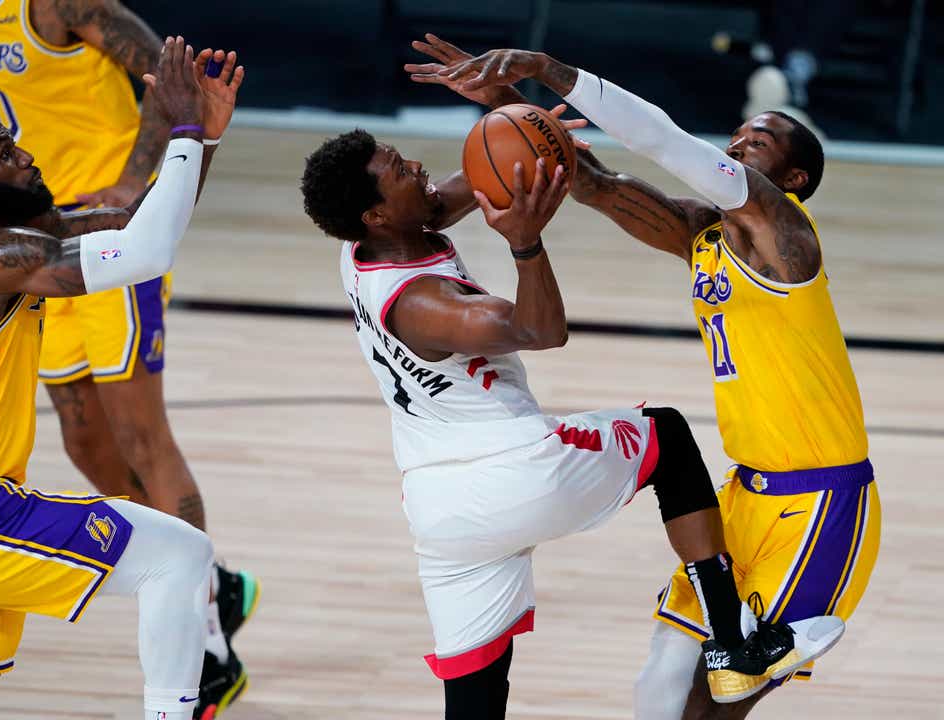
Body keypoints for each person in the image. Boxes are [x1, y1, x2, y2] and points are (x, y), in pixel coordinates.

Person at [300, 116, 843, 716]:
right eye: (400, 171)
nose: (418, 168)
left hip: (440, 513)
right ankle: (732, 643)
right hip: (514, 471)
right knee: (665, 436)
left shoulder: (364, 243)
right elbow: (540, 330)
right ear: (377, 214)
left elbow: (468, 185)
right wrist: (525, 243)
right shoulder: (423, 303)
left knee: (476, 697)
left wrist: (524, 129)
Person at [408, 35, 880, 719]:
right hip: (743, 493)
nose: (739, 143)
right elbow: (596, 184)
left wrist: (547, 70)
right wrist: (506, 106)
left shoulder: (791, 240)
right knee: (659, 685)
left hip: (820, 501)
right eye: (738, 134)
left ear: (795, 180)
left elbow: (663, 142)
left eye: (760, 141)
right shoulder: (702, 235)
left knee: (718, 697)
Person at [0, 37, 242, 720]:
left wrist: (204, 140)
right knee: (179, 558)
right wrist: (182, 127)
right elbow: (147, 252)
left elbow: (137, 224)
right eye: (5, 152)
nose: (26, 155)